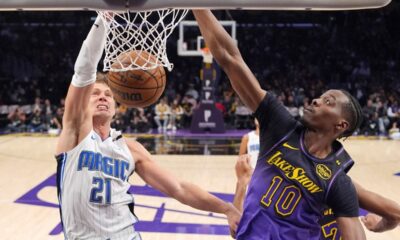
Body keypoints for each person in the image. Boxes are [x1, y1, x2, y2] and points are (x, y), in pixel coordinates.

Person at [55, 14, 240, 240]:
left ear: (115, 106)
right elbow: (83, 71)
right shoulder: (75, 135)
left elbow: (178, 188)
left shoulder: (131, 149)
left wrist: (227, 208)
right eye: (95, 94)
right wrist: (103, 21)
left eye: (108, 95)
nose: (102, 97)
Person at [194, 9, 366, 239]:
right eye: (320, 96)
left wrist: (391, 217)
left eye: (328, 102)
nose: (316, 99)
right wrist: (196, 4)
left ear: (340, 125)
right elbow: (229, 58)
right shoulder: (281, 127)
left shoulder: (338, 181)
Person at [234, 155, 400, 239]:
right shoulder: (339, 182)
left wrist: (241, 184)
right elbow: (395, 213)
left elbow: (238, 229)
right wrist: (377, 226)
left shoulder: (276, 184)